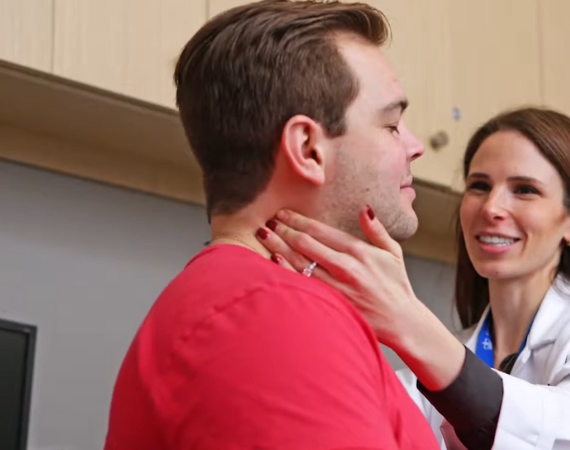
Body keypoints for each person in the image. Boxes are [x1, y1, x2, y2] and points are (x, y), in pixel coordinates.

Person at [103, 1, 440, 449]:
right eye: (392, 125)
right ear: (308, 149)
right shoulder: (273, 316)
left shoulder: (244, 304)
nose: (414, 146)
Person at [255, 106, 570, 449]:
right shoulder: (432, 371)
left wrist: (408, 322)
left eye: (524, 190)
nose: (491, 208)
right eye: (479, 186)